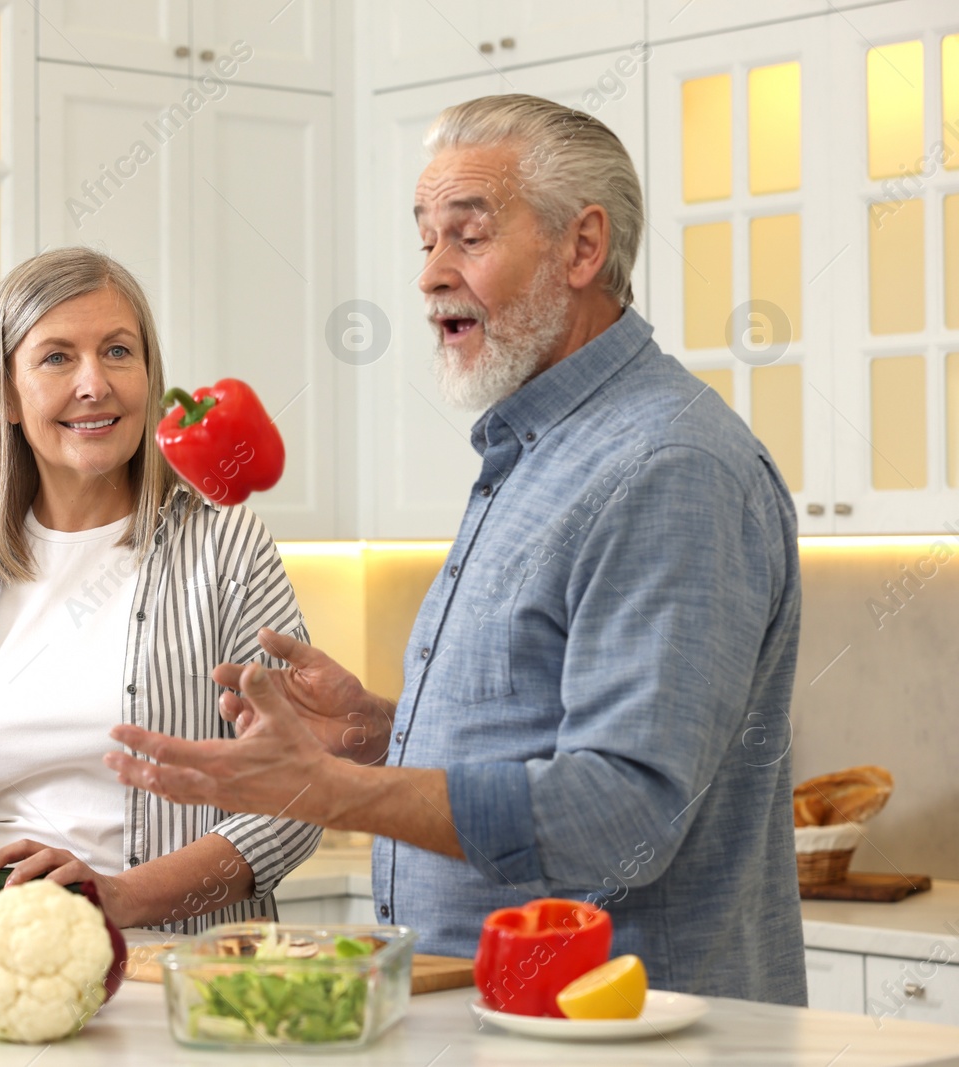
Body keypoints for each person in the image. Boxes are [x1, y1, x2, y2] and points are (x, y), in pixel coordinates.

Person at [106, 94, 808, 1002]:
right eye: (425, 239)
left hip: (623, 1035)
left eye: (468, 237)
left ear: (582, 248)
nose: (431, 274)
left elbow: (624, 808)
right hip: (507, 1022)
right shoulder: (540, 450)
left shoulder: (666, 465)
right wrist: (378, 733)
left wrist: (327, 790)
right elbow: (546, 742)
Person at [0, 247, 321, 932]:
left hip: (171, 972)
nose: (94, 383)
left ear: (149, 375)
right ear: (7, 393)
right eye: (57, 357)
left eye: (118, 351)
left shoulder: (226, 549)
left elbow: (300, 794)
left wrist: (123, 896)